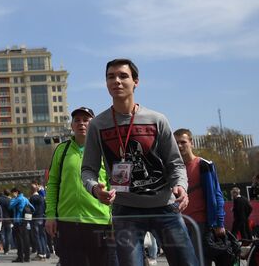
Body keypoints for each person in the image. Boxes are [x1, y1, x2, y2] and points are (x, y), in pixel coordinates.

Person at [81, 58, 196, 266]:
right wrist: (95, 189)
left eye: (123, 76)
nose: (116, 81)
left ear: (136, 81)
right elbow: (88, 170)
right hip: (125, 211)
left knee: (187, 262)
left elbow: (175, 163)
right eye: (110, 77)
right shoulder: (97, 125)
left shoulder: (157, 119)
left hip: (165, 206)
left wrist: (181, 186)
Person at [45, 106, 114, 266]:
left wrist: (114, 218)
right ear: (71, 126)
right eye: (77, 120)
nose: (81, 123)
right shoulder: (61, 150)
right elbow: (53, 184)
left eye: (86, 120)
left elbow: (114, 184)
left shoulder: (105, 149)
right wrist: (50, 216)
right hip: (68, 222)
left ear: (94, 124)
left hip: (99, 222)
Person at [174, 128, 230, 265]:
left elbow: (217, 194)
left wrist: (219, 223)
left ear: (191, 143)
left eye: (183, 142)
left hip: (201, 224)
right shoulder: (172, 168)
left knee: (200, 262)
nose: (180, 146)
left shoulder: (204, 165)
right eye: (176, 143)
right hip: (177, 224)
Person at [8, 187, 33, 263]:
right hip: (25, 221)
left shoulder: (18, 199)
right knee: (26, 239)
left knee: (19, 240)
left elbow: (10, 206)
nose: (12, 195)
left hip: (18, 221)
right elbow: (33, 208)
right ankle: (27, 257)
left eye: (13, 193)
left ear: (16, 192)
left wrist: (13, 199)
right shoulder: (25, 199)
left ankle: (20, 257)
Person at [28, 182, 48, 260]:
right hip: (42, 218)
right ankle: (44, 253)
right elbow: (45, 208)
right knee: (42, 236)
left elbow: (31, 209)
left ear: (31, 190)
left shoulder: (32, 198)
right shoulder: (42, 198)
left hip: (35, 219)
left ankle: (40, 253)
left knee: (37, 236)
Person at [0, 190, 12, 255]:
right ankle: (6, 250)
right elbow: (11, 210)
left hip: (0, 219)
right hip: (8, 219)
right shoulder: (8, 200)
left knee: (0, 234)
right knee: (7, 234)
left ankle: (2, 244)